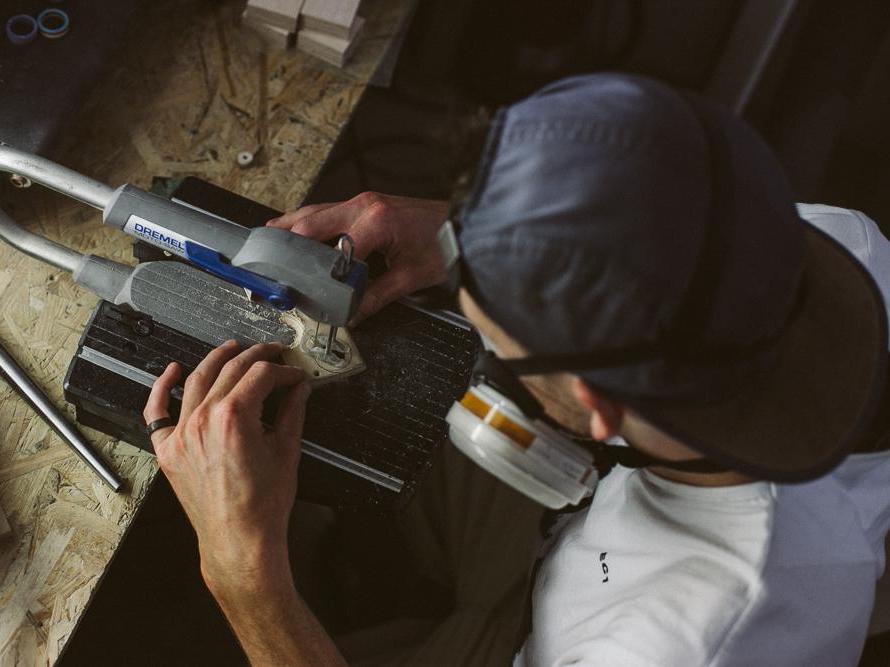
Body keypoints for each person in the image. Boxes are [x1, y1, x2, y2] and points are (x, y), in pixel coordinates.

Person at [141, 73, 890, 666]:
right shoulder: (829, 251)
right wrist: (475, 232)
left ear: (596, 407)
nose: (489, 358)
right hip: (574, 528)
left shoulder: (678, 642)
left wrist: (249, 583)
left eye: (498, 349)